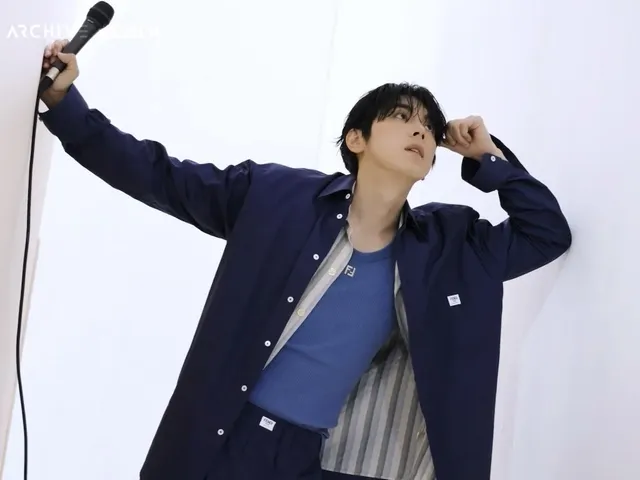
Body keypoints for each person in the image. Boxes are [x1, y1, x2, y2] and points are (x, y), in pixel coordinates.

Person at [39, 39, 571, 480]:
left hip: (314, 458)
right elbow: (159, 176)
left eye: (430, 129)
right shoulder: (275, 198)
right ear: (356, 139)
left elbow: (546, 233)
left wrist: (486, 158)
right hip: (220, 440)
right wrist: (64, 105)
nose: (421, 131)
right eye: (402, 117)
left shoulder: (447, 247)